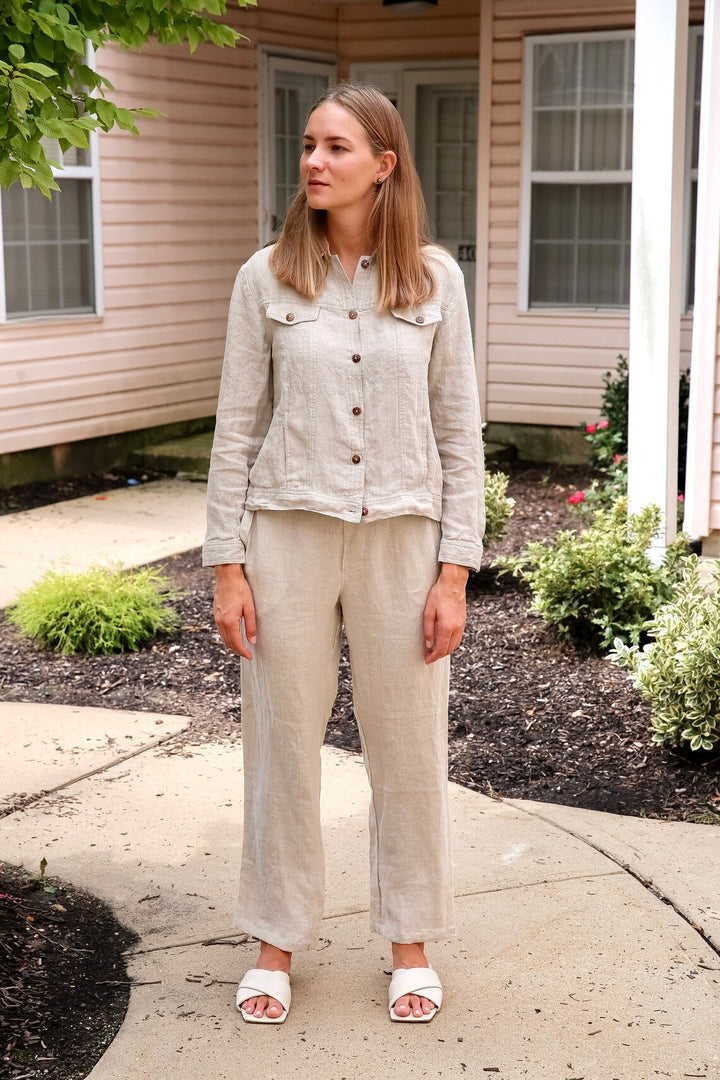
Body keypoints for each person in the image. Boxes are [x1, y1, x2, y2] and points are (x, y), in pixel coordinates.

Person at [202, 82, 485, 1025]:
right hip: (286, 535)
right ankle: (276, 940)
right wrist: (227, 565)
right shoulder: (265, 278)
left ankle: (409, 940)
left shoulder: (436, 282)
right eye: (309, 146)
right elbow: (236, 429)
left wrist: (455, 572)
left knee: (408, 749)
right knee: (282, 745)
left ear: (384, 164)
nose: (314, 162)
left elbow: (460, 433)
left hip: (404, 539)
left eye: (336, 148)